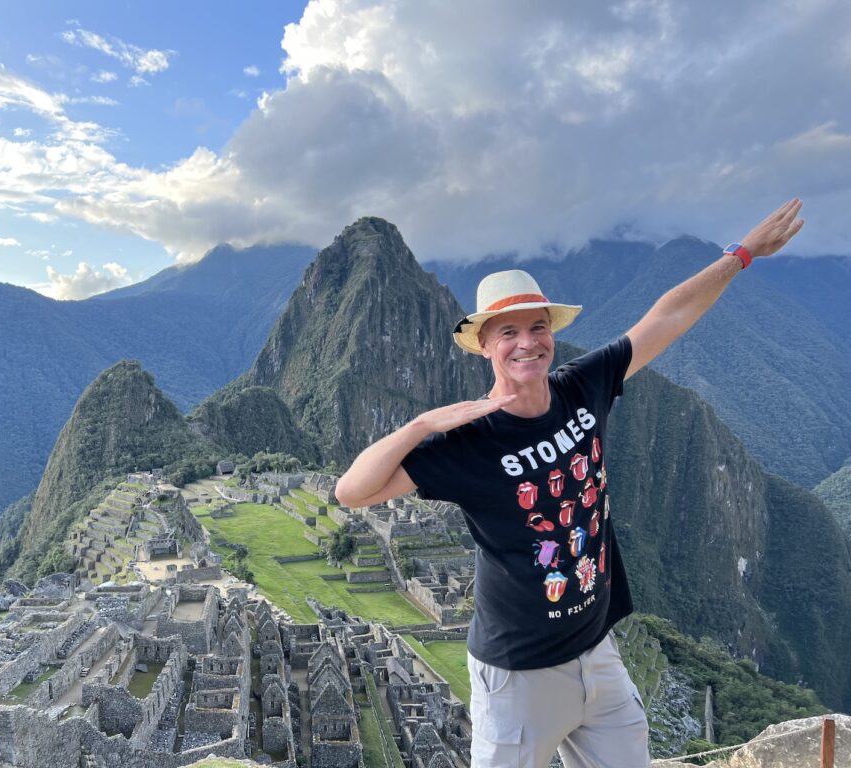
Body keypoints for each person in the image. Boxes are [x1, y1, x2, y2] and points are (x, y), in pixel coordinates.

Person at [335, 199, 804, 768]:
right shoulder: (466, 443)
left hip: (596, 651)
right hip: (518, 673)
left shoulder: (583, 386)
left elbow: (667, 319)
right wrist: (422, 423)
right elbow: (353, 492)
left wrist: (742, 254)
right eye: (508, 331)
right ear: (485, 345)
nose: (527, 342)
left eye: (538, 327)